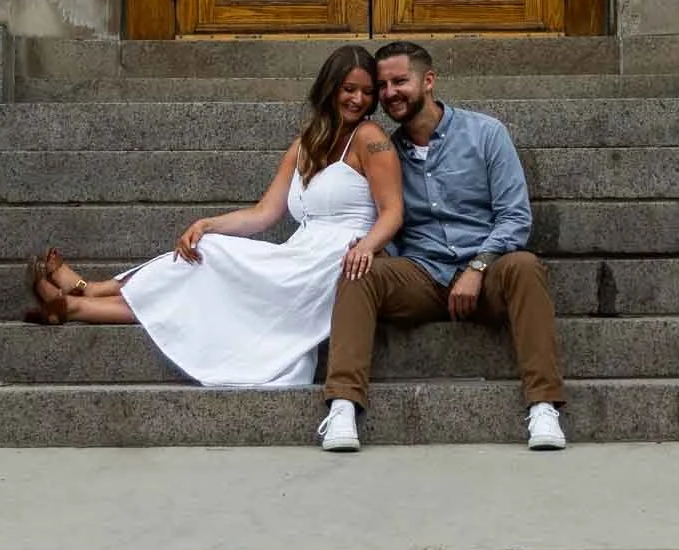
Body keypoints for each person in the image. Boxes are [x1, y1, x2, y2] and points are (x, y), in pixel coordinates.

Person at [23, 45, 403, 389]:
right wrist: (207, 224)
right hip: (300, 252)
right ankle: (82, 300)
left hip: (337, 261)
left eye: (367, 92)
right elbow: (264, 213)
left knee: (211, 270)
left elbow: (392, 212)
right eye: (349, 89)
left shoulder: (371, 139)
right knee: (205, 250)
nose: (358, 99)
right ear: (330, 87)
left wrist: (366, 248)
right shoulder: (307, 143)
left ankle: (88, 294)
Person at [317, 40, 567, 452]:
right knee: (359, 269)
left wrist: (478, 267)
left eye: (401, 81)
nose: (390, 93)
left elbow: (515, 217)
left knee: (524, 266)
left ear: (428, 80)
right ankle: (343, 404)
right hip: (422, 274)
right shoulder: (385, 150)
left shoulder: (486, 134)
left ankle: (543, 406)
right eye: (383, 85)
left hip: (487, 273)